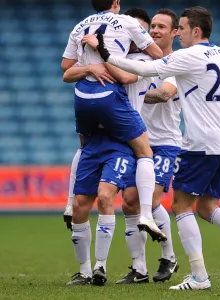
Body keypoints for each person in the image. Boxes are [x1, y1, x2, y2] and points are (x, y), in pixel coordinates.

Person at [93, 6, 220, 290]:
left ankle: (199, 277)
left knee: (180, 205)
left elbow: (145, 68)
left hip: (200, 143)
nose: (178, 34)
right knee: (207, 207)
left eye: (181, 28)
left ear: (196, 30)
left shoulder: (188, 55)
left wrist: (107, 55)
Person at [63, 8, 155, 286]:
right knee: (81, 205)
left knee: (107, 197)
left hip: (120, 142)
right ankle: (84, 270)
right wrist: (91, 65)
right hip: (95, 139)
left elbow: (124, 77)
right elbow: (67, 71)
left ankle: (104, 266)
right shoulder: (111, 54)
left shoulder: (138, 61)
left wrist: (101, 54)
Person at [115, 8, 181, 284]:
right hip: (137, 142)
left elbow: (166, 93)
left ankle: (169, 257)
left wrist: (135, 94)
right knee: (129, 203)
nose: (154, 31)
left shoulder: (178, 62)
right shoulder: (136, 61)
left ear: (175, 33)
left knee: (149, 201)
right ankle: (139, 268)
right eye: (152, 26)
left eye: (162, 27)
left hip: (165, 143)